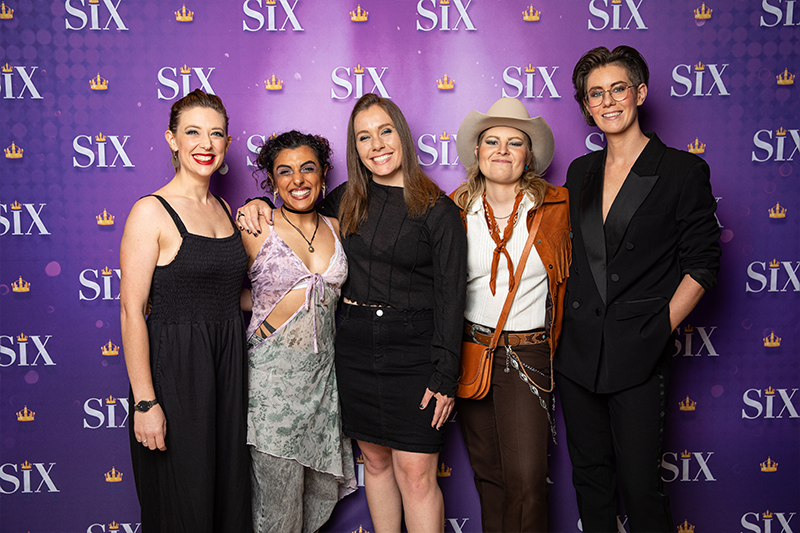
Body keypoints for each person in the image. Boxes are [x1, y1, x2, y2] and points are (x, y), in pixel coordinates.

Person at [237, 93, 467, 533]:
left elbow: (452, 298)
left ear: (402, 134)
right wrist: (256, 204)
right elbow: (294, 207)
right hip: (356, 354)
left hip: (417, 356)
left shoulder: (439, 211)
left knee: (417, 476)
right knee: (377, 466)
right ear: (354, 148)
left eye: (385, 131)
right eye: (364, 137)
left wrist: (445, 376)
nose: (377, 144)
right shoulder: (345, 200)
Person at [555, 46, 721, 532]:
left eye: (618, 89)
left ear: (640, 93)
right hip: (577, 352)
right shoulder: (579, 173)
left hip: (638, 351)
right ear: (586, 106)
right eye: (595, 94)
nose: (608, 102)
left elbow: (703, 265)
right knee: (590, 479)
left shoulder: (681, 170)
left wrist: (656, 331)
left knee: (641, 484)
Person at [119, 89, 251, 532]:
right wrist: (145, 401)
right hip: (176, 377)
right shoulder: (150, 212)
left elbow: (234, 295)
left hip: (227, 372)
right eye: (193, 132)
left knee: (225, 502)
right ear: (171, 140)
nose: (205, 143)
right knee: (183, 508)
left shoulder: (225, 208)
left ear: (228, 144)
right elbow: (131, 311)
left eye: (216, 134)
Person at [451, 97, 570, 532]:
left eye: (514, 142)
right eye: (492, 141)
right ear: (477, 152)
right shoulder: (452, 210)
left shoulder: (558, 208)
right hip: (471, 352)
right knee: (490, 478)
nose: (502, 150)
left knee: (527, 481)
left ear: (529, 155)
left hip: (529, 354)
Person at [241, 130, 356, 532]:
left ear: (324, 174)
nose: (298, 179)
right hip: (271, 391)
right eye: (284, 172)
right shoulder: (256, 226)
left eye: (308, 168)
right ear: (271, 182)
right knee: (277, 511)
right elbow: (220, 288)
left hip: (322, 387)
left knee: (313, 506)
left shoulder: (339, 227)